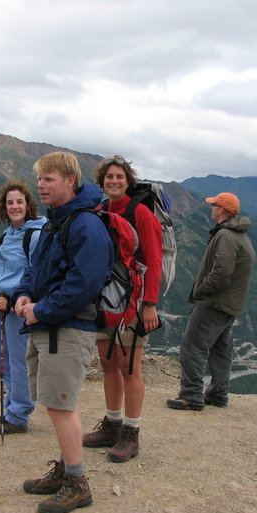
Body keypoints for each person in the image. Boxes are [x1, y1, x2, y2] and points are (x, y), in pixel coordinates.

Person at [13, 151, 114, 513]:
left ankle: (77, 484)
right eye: (39, 178)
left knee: (61, 405)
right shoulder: (56, 223)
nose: (40, 185)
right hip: (49, 326)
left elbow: (83, 284)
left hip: (68, 328)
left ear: (70, 181)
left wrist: (41, 309)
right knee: (54, 403)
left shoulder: (85, 225)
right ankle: (64, 471)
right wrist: (24, 294)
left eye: (49, 179)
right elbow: (35, 269)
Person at [82, 156, 162, 462]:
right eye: (108, 177)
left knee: (130, 366)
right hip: (106, 298)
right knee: (108, 362)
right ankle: (112, 424)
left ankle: (131, 433)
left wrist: (150, 305)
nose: (113, 181)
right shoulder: (100, 210)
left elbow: (154, 262)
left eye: (119, 177)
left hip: (134, 300)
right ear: (102, 181)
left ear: (127, 181)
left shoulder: (141, 214)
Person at [166, 192, 255, 411]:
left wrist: (202, 290)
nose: (211, 208)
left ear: (222, 210)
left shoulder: (225, 236)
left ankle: (191, 396)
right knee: (220, 349)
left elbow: (221, 272)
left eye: (214, 205)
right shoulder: (240, 235)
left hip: (215, 302)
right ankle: (217, 394)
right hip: (230, 304)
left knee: (192, 346)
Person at [0, 181, 46, 435]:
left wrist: (14, 303)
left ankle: (19, 415)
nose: (15, 206)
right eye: (10, 202)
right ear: (4, 207)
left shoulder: (35, 235)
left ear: (27, 204)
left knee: (19, 362)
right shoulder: (8, 234)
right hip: (2, 305)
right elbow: (4, 271)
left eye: (19, 201)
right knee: (4, 360)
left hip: (18, 310)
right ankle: (11, 408)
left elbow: (35, 275)